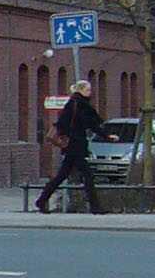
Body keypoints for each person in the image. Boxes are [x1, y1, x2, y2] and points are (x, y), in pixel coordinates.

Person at [35, 79, 105, 214]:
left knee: (62, 176)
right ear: (81, 90)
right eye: (88, 90)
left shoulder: (74, 104)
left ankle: (42, 200)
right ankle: (95, 207)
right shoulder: (78, 105)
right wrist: (106, 135)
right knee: (87, 175)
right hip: (75, 145)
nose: (90, 92)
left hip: (72, 146)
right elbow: (91, 123)